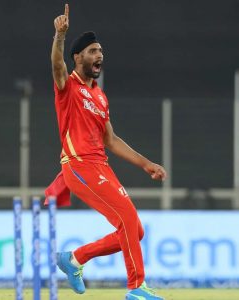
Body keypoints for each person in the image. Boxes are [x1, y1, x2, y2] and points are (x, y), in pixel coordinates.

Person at [49, 4, 166, 300]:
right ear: (78, 57)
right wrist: (59, 37)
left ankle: (74, 258)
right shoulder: (68, 86)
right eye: (92, 51)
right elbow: (56, 66)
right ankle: (136, 288)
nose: (99, 55)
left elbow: (111, 140)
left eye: (100, 50)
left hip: (101, 166)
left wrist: (146, 163)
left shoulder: (99, 95)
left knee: (134, 231)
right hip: (78, 166)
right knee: (126, 217)